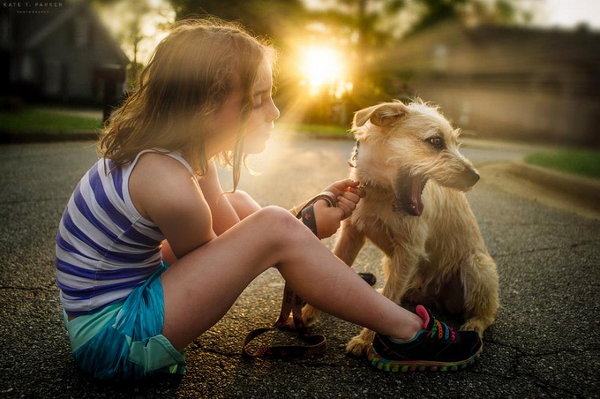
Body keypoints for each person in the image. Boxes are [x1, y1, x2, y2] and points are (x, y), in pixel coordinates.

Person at [54, 18, 482, 381]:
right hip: (114, 341)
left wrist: (304, 222)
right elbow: (222, 257)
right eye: (259, 99)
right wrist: (303, 228)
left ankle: (335, 283)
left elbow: (231, 233)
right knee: (275, 225)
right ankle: (405, 332)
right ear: (206, 106)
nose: (275, 112)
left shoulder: (179, 158)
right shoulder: (166, 182)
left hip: (120, 308)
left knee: (241, 203)